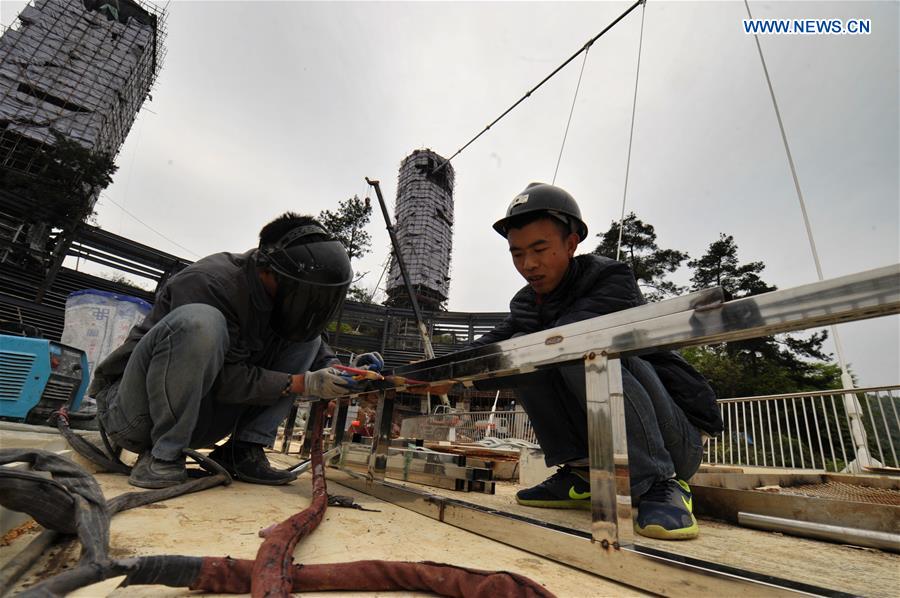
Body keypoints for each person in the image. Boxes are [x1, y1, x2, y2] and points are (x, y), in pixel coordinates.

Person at [471, 183, 723, 540]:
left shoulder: (609, 279)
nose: (529, 264)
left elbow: (571, 334)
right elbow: (484, 352)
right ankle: (581, 473)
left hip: (674, 444)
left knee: (578, 343)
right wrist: (410, 373)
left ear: (571, 244)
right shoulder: (527, 305)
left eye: (540, 249)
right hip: (604, 445)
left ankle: (660, 483)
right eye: (517, 254)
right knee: (519, 349)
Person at [89, 213, 384, 489]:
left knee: (308, 338)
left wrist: (344, 374)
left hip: (199, 422)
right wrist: (302, 383)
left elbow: (316, 353)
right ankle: (162, 457)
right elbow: (221, 378)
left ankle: (241, 452)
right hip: (136, 417)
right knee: (201, 323)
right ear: (267, 269)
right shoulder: (210, 283)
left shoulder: (282, 306)